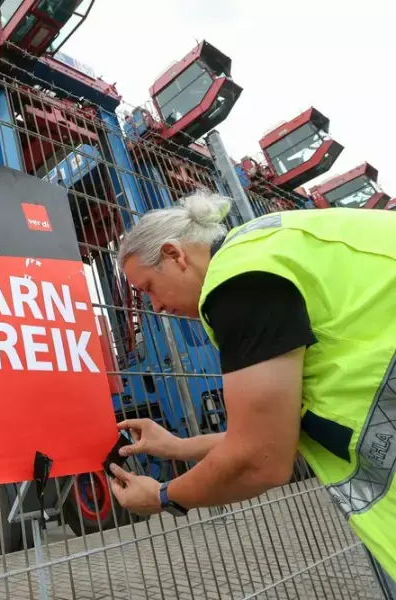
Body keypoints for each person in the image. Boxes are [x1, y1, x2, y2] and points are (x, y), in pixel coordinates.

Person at [105, 190, 396, 593]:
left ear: (175, 255)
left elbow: (261, 459)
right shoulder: (268, 248)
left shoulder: (239, 279)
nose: (154, 306)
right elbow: (275, 434)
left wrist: (163, 495)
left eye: (149, 287)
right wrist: (178, 447)